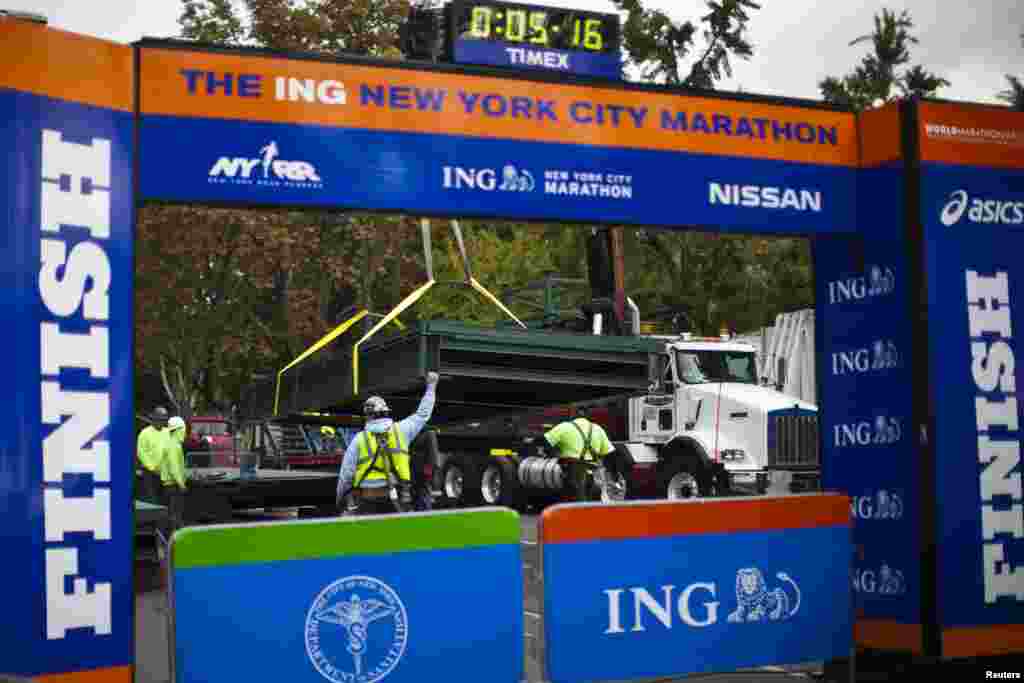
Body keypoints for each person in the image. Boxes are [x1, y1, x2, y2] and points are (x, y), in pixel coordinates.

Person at [336, 372, 439, 515]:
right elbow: (422, 414)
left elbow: (346, 475)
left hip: (367, 500)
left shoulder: (359, 439)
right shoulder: (401, 430)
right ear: (385, 411)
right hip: (395, 500)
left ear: (367, 416)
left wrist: (340, 500)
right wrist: (431, 386)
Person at [541, 405, 615, 501]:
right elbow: (610, 453)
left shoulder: (565, 426)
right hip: (594, 471)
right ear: (588, 416)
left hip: (573, 470)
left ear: (573, 415)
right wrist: (613, 474)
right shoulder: (598, 429)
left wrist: (551, 454)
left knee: (575, 500)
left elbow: (546, 441)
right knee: (592, 499)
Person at [159, 416, 189, 534]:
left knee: (174, 513)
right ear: (177, 430)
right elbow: (174, 467)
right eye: (183, 430)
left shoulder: (173, 444)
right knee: (174, 514)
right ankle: (174, 540)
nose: (184, 432)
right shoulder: (173, 446)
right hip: (172, 485)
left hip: (172, 484)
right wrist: (181, 483)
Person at [136, 406, 168, 503]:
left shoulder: (168, 432)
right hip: (150, 474)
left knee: (165, 500)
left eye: (163, 419)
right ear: (153, 419)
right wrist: (152, 468)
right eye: (159, 419)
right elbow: (141, 453)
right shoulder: (144, 433)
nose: (161, 422)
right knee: (152, 500)